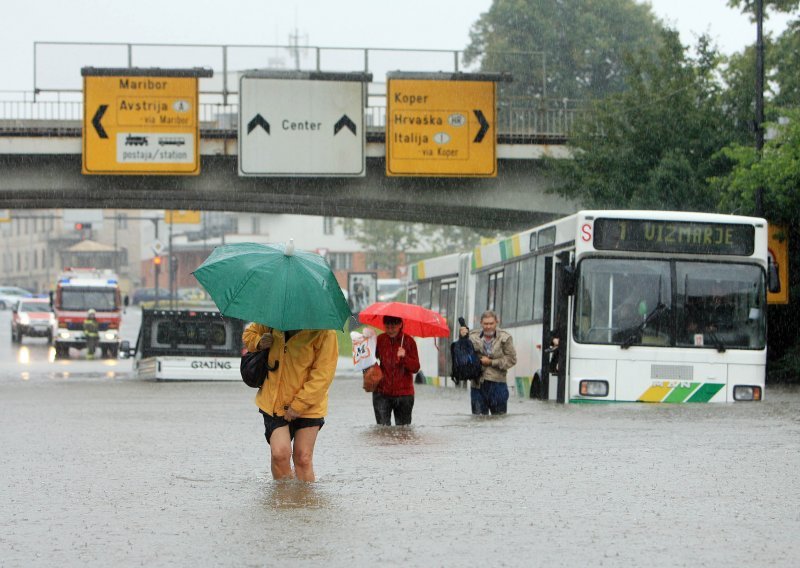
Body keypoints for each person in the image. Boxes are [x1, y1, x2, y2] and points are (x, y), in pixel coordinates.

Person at [242, 323, 338, 482]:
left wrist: (299, 405)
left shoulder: (325, 330)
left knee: (303, 458)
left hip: (310, 404)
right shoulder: (273, 316)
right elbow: (248, 335)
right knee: (280, 455)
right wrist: (258, 341)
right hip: (274, 401)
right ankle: (283, 501)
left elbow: (323, 375)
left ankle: (304, 503)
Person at [459, 310, 517, 415]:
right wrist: (462, 339)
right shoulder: (472, 336)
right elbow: (462, 356)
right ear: (481, 323)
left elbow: (512, 359)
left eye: (491, 323)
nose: (488, 326)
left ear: (496, 322)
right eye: (485, 324)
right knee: (478, 420)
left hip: (498, 385)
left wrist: (491, 362)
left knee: (499, 421)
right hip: (478, 386)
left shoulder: (505, 337)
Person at [373, 315, 420, 426]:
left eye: (393, 327)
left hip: (404, 395)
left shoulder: (409, 341)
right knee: (382, 431)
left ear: (400, 325)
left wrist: (404, 357)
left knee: (403, 432)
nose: (390, 330)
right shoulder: (379, 340)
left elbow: (416, 368)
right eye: (387, 327)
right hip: (382, 393)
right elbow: (369, 360)